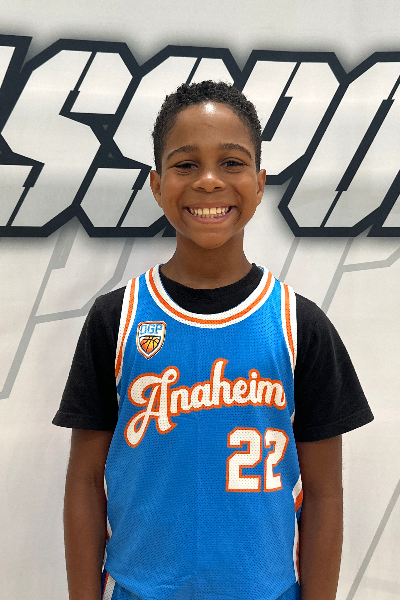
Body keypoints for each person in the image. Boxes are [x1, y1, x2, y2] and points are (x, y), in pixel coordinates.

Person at [53, 81, 373, 600]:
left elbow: (324, 495)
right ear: (156, 185)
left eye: (231, 162)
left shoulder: (299, 325)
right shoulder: (117, 319)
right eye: (185, 164)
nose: (208, 181)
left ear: (260, 182)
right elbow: (85, 484)